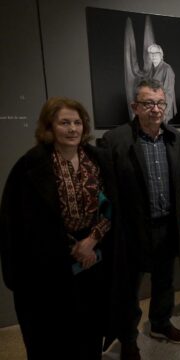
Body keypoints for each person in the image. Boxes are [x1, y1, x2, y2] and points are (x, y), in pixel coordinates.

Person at [0, 97, 115, 359]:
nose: (73, 129)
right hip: (49, 266)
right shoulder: (30, 167)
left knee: (90, 328)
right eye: (64, 122)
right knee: (55, 334)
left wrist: (92, 240)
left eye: (77, 122)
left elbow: (112, 206)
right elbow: (21, 222)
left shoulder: (98, 161)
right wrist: (73, 247)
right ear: (49, 126)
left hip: (94, 260)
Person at [101, 79, 180, 360]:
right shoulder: (116, 140)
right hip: (132, 229)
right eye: (148, 103)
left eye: (160, 103)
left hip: (166, 226)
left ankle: (160, 324)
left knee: (165, 281)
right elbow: (107, 192)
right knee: (129, 290)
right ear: (134, 106)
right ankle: (128, 338)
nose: (155, 109)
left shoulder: (175, 139)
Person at [148, 44, 177, 122]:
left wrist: (164, 112)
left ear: (161, 54)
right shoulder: (151, 70)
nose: (153, 56)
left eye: (156, 53)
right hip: (154, 108)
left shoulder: (167, 69)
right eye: (151, 53)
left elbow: (169, 92)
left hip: (163, 110)